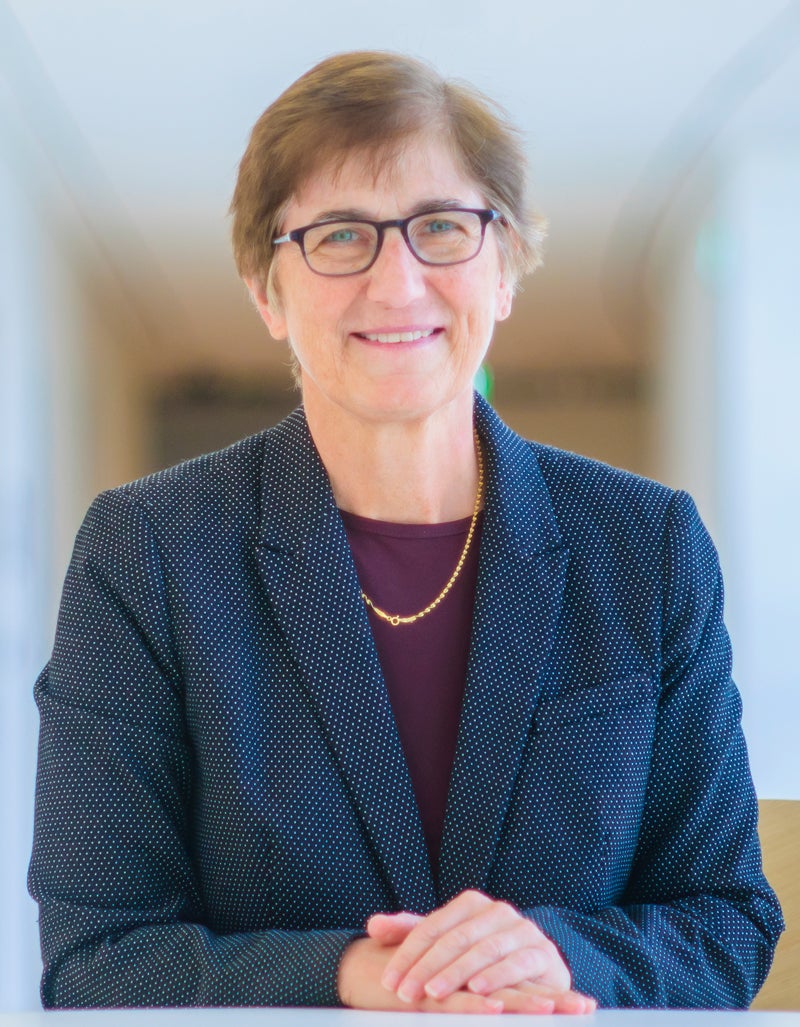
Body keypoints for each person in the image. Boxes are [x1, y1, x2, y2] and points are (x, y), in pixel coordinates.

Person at [28, 51, 782, 1012]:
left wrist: (559, 956)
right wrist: (364, 973)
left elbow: (727, 923)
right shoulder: (148, 552)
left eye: (441, 228)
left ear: (504, 270)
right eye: (340, 235)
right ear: (265, 289)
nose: (398, 283)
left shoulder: (646, 547)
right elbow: (98, 958)